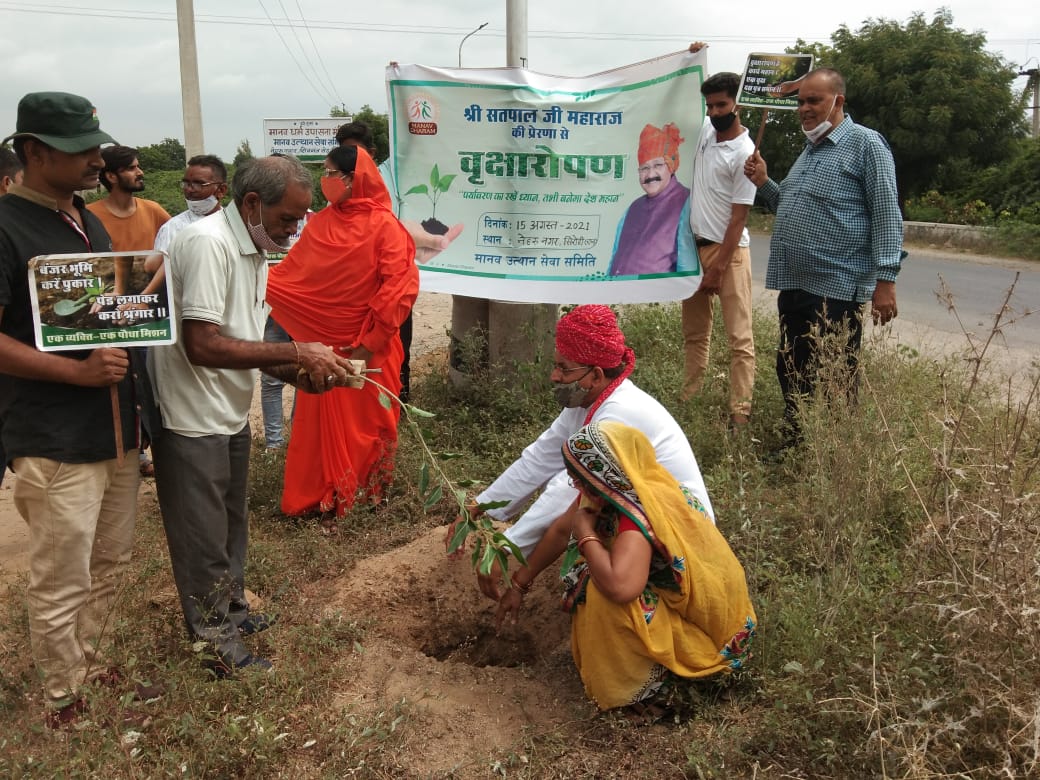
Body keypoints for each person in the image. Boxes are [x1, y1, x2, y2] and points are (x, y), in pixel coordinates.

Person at [150, 154, 357, 677]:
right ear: (251, 204)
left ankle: (233, 612)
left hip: (226, 408)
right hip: (190, 413)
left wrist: (306, 376)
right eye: (288, 218)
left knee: (230, 524)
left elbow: (241, 341)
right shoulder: (205, 244)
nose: (295, 228)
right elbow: (202, 345)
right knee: (202, 533)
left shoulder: (254, 251)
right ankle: (215, 645)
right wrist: (294, 354)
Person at [0, 91, 162, 727]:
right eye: (80, 151)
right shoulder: (7, 227)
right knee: (61, 573)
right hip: (55, 436)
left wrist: (140, 283)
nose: (97, 160)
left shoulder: (83, 219)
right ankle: (65, 697)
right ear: (33, 152)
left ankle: (95, 666)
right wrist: (74, 371)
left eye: (97, 148)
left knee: (110, 562)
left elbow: (94, 313)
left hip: (117, 429)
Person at [448, 304, 715, 599]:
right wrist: (478, 507)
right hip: (644, 517)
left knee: (591, 565)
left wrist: (506, 549)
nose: (554, 376)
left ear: (596, 375)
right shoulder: (589, 401)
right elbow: (540, 458)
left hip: (683, 531)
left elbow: (565, 492)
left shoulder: (616, 415)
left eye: (564, 368)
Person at [496, 421, 756, 712]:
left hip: (704, 632)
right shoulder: (615, 487)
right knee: (595, 574)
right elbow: (559, 530)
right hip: (683, 606)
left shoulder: (634, 517)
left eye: (580, 478)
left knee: (600, 592)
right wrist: (519, 584)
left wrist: (586, 535)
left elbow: (622, 588)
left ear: (605, 472)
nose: (576, 486)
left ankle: (649, 693)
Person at [744, 68, 903, 445]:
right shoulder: (808, 150)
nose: (804, 108)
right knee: (792, 367)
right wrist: (764, 182)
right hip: (797, 283)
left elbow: (886, 212)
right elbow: (790, 204)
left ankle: (836, 449)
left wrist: (886, 281)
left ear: (838, 101)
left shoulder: (866, 145)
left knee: (835, 373)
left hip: (837, 285)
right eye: (800, 101)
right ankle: (798, 441)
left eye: (813, 100)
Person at [266, 145, 418, 529]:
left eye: (333, 173)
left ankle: (365, 498)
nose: (326, 180)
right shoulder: (321, 223)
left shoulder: (387, 227)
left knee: (370, 427)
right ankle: (318, 500)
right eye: (326, 172)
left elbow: (398, 293)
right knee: (316, 428)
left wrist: (365, 350)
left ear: (356, 178)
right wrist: (254, 281)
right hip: (324, 349)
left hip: (374, 350)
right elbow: (295, 276)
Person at [88, 144, 171, 476]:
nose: (140, 172)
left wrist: (143, 299)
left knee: (155, 383)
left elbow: (169, 255)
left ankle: (157, 451)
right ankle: (130, 453)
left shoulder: (153, 211)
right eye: (132, 167)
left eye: (139, 166)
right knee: (121, 386)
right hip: (110, 316)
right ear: (111, 176)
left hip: (151, 315)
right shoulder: (91, 215)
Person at [681, 72, 758, 428]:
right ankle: (689, 397)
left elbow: (738, 218)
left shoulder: (746, 154)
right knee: (695, 333)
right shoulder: (705, 136)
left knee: (739, 339)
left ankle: (739, 414)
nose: (714, 112)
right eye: (709, 105)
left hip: (730, 256)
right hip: (693, 252)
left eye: (721, 104)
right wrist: (692, 55)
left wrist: (719, 268)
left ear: (736, 104)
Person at [608, 123, 696, 277]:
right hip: (617, 295)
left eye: (658, 165)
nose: (650, 174)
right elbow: (614, 256)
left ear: (671, 165)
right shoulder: (633, 208)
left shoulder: (686, 203)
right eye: (644, 168)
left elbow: (688, 269)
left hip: (657, 298)